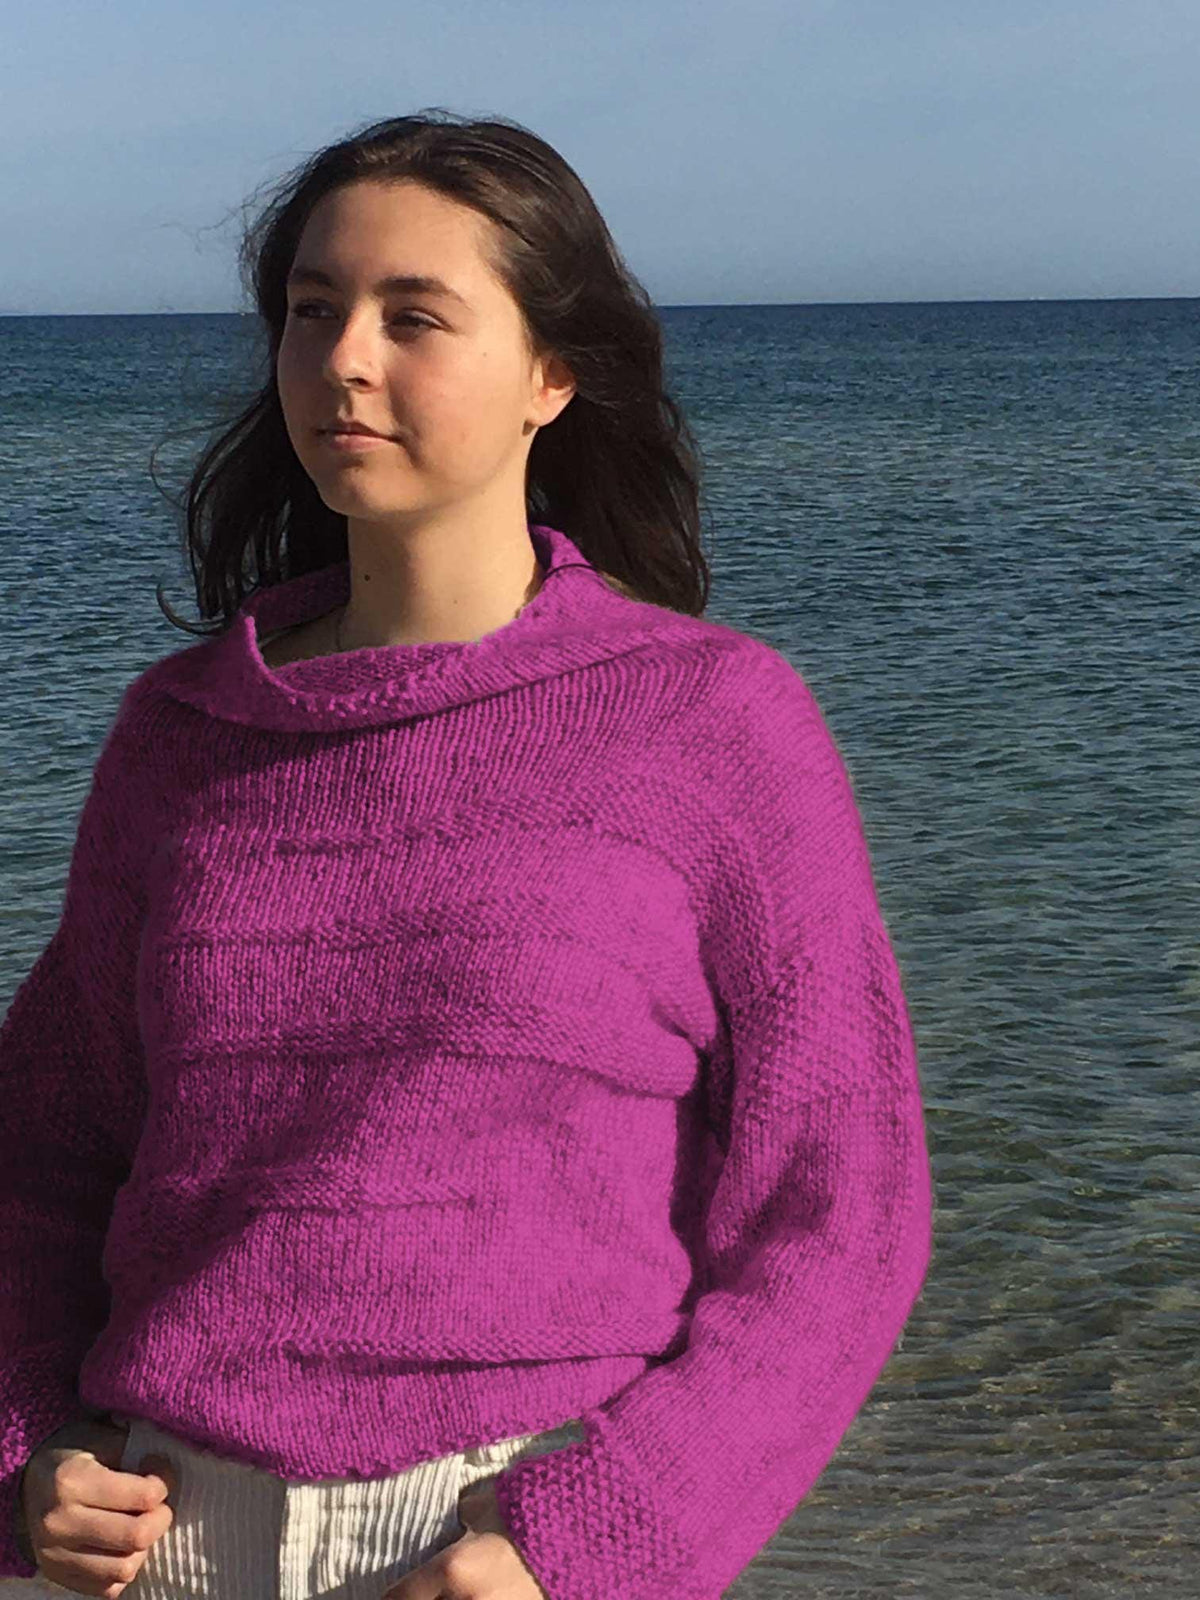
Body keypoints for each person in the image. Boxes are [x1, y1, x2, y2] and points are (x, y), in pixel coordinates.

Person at [0, 108, 933, 1600]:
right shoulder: (180, 735)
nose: (343, 360)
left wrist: (592, 1541)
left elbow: (839, 1209)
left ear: (553, 374)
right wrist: (28, 1448)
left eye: (413, 316)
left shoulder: (710, 722)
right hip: (154, 1544)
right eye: (313, 309)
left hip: (502, 1544)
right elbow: (43, 1156)